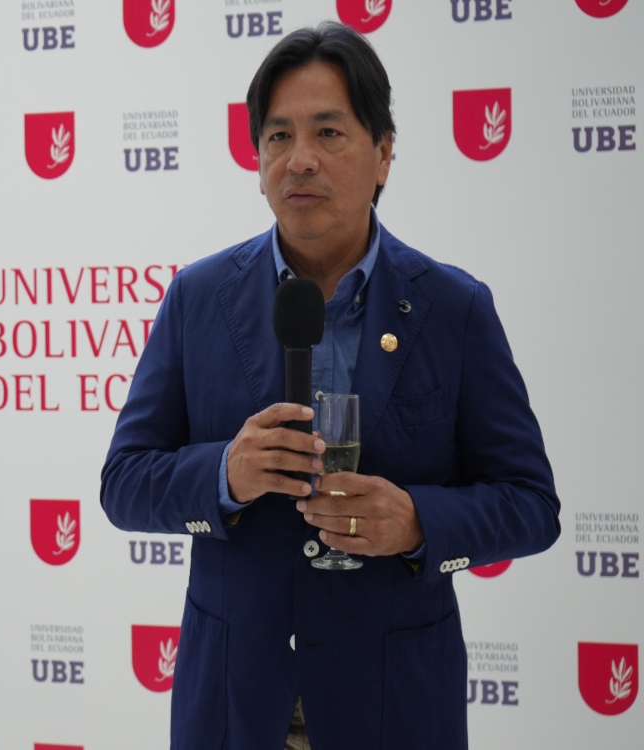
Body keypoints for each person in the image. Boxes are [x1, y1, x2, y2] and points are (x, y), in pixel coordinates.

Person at [100, 21, 560, 750]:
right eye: (278, 137)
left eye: (329, 133)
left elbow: (531, 507)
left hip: (393, 706)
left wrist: (416, 522)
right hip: (232, 708)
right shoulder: (197, 298)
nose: (300, 160)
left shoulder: (454, 308)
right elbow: (124, 485)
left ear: (382, 153)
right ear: (256, 162)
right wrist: (224, 472)